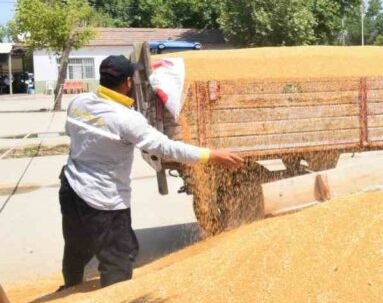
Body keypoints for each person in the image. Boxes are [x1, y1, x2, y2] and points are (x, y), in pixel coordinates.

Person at [59, 55, 244, 289]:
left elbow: (72, 132)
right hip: (103, 199)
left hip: (71, 186)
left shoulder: (78, 102)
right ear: (128, 82)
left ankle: (70, 288)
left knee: (77, 246)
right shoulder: (126, 119)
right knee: (119, 257)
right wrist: (212, 155)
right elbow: (165, 147)